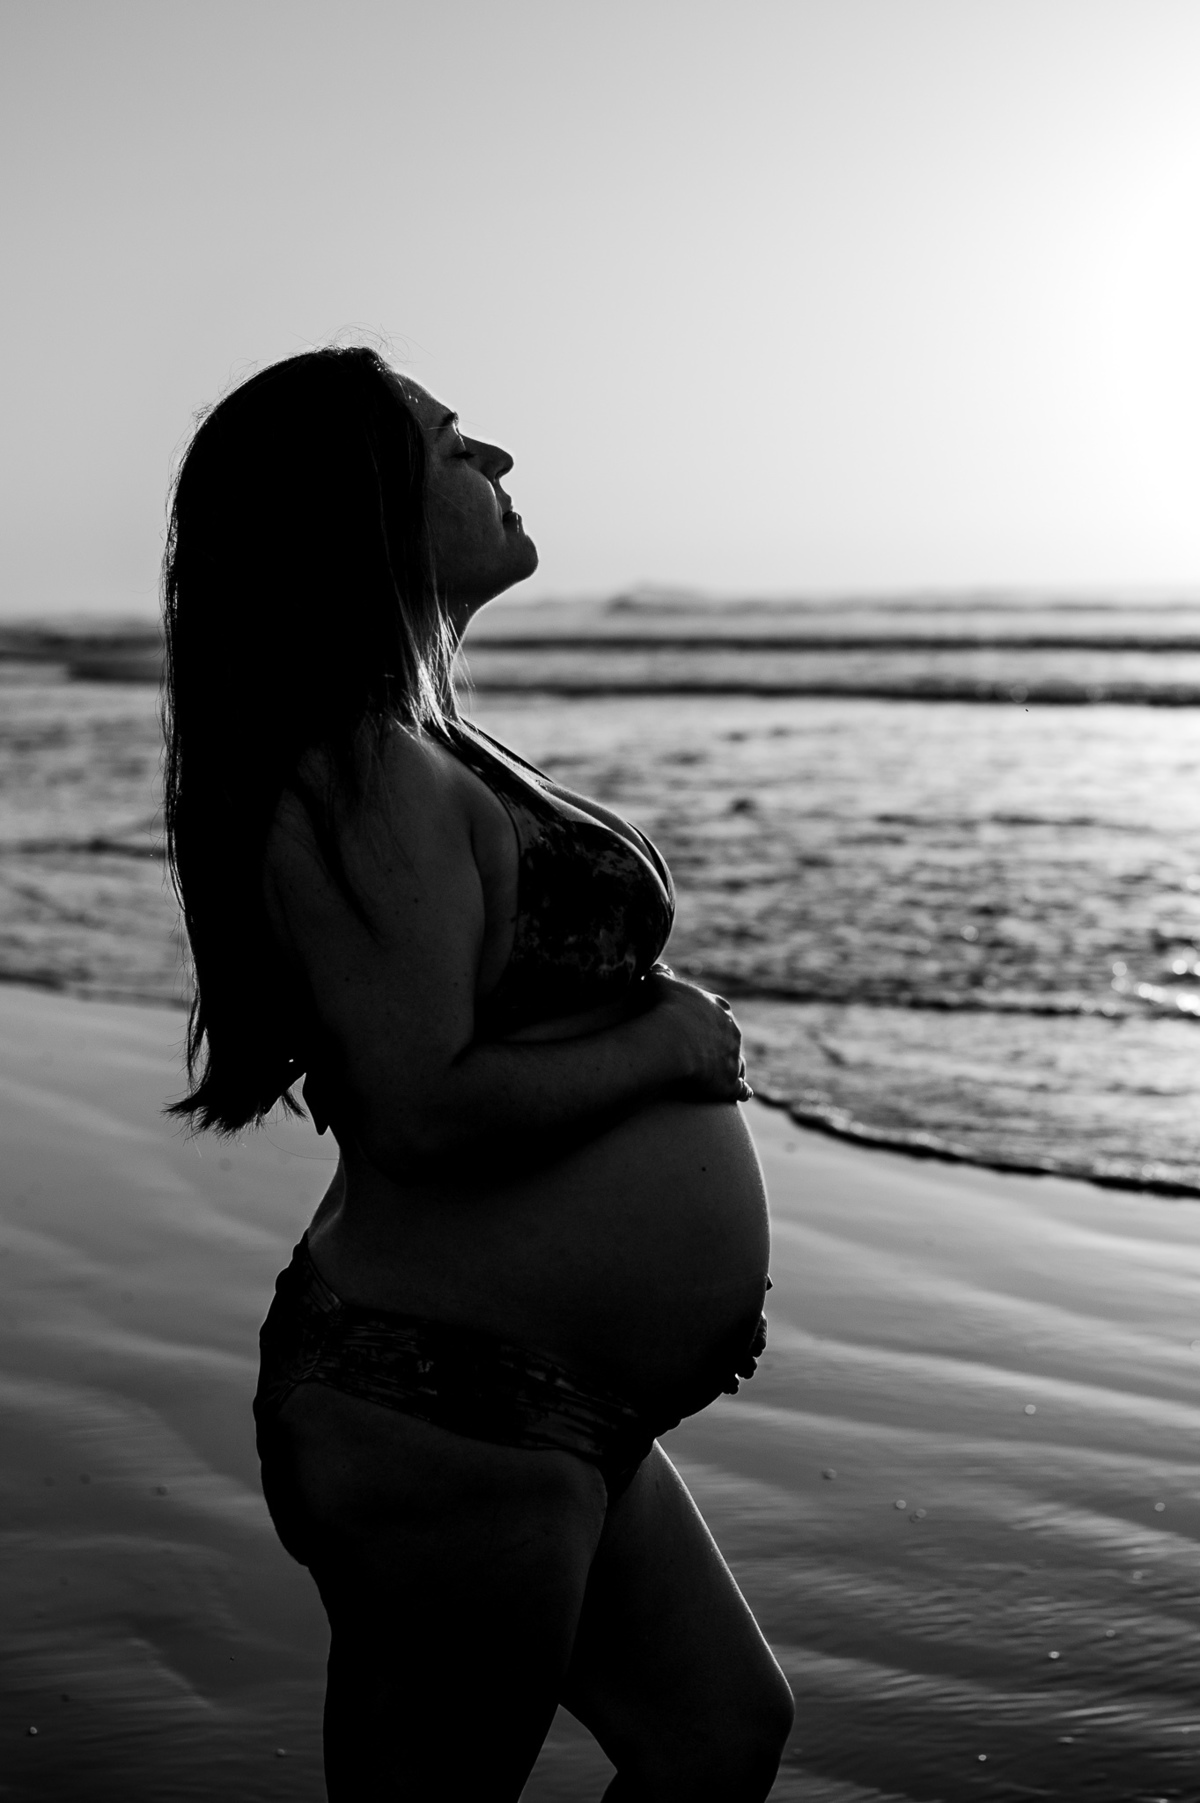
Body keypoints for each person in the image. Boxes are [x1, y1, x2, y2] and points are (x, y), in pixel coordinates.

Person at [161, 345, 794, 1799]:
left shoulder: (420, 743)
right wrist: (671, 1042)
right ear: (364, 509)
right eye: (453, 446)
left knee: (720, 1737)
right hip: (448, 1405)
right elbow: (421, 1108)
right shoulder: (359, 770)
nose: (496, 458)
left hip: (539, 1397)